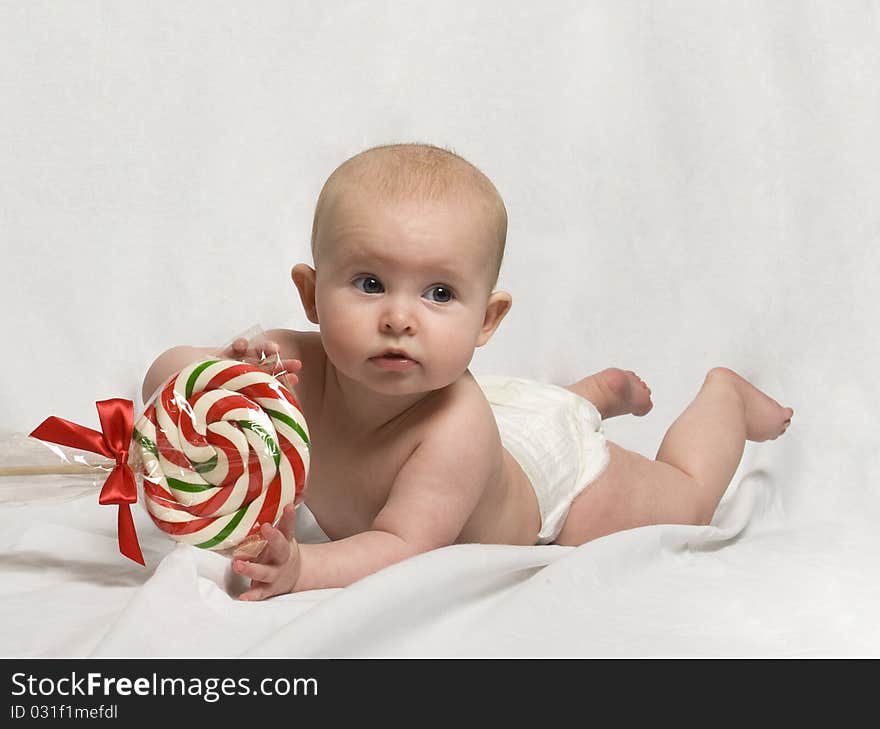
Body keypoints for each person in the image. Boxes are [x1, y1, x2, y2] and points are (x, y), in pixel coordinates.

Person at [141, 143, 793, 601]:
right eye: (369, 282)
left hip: (544, 477)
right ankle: (592, 393)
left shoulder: (455, 432)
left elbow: (402, 545)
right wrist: (224, 377)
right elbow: (165, 386)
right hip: (506, 414)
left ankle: (724, 397)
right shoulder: (292, 366)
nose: (399, 317)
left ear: (488, 319)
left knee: (686, 504)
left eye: (440, 294)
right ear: (311, 294)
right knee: (532, 411)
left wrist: (304, 566)